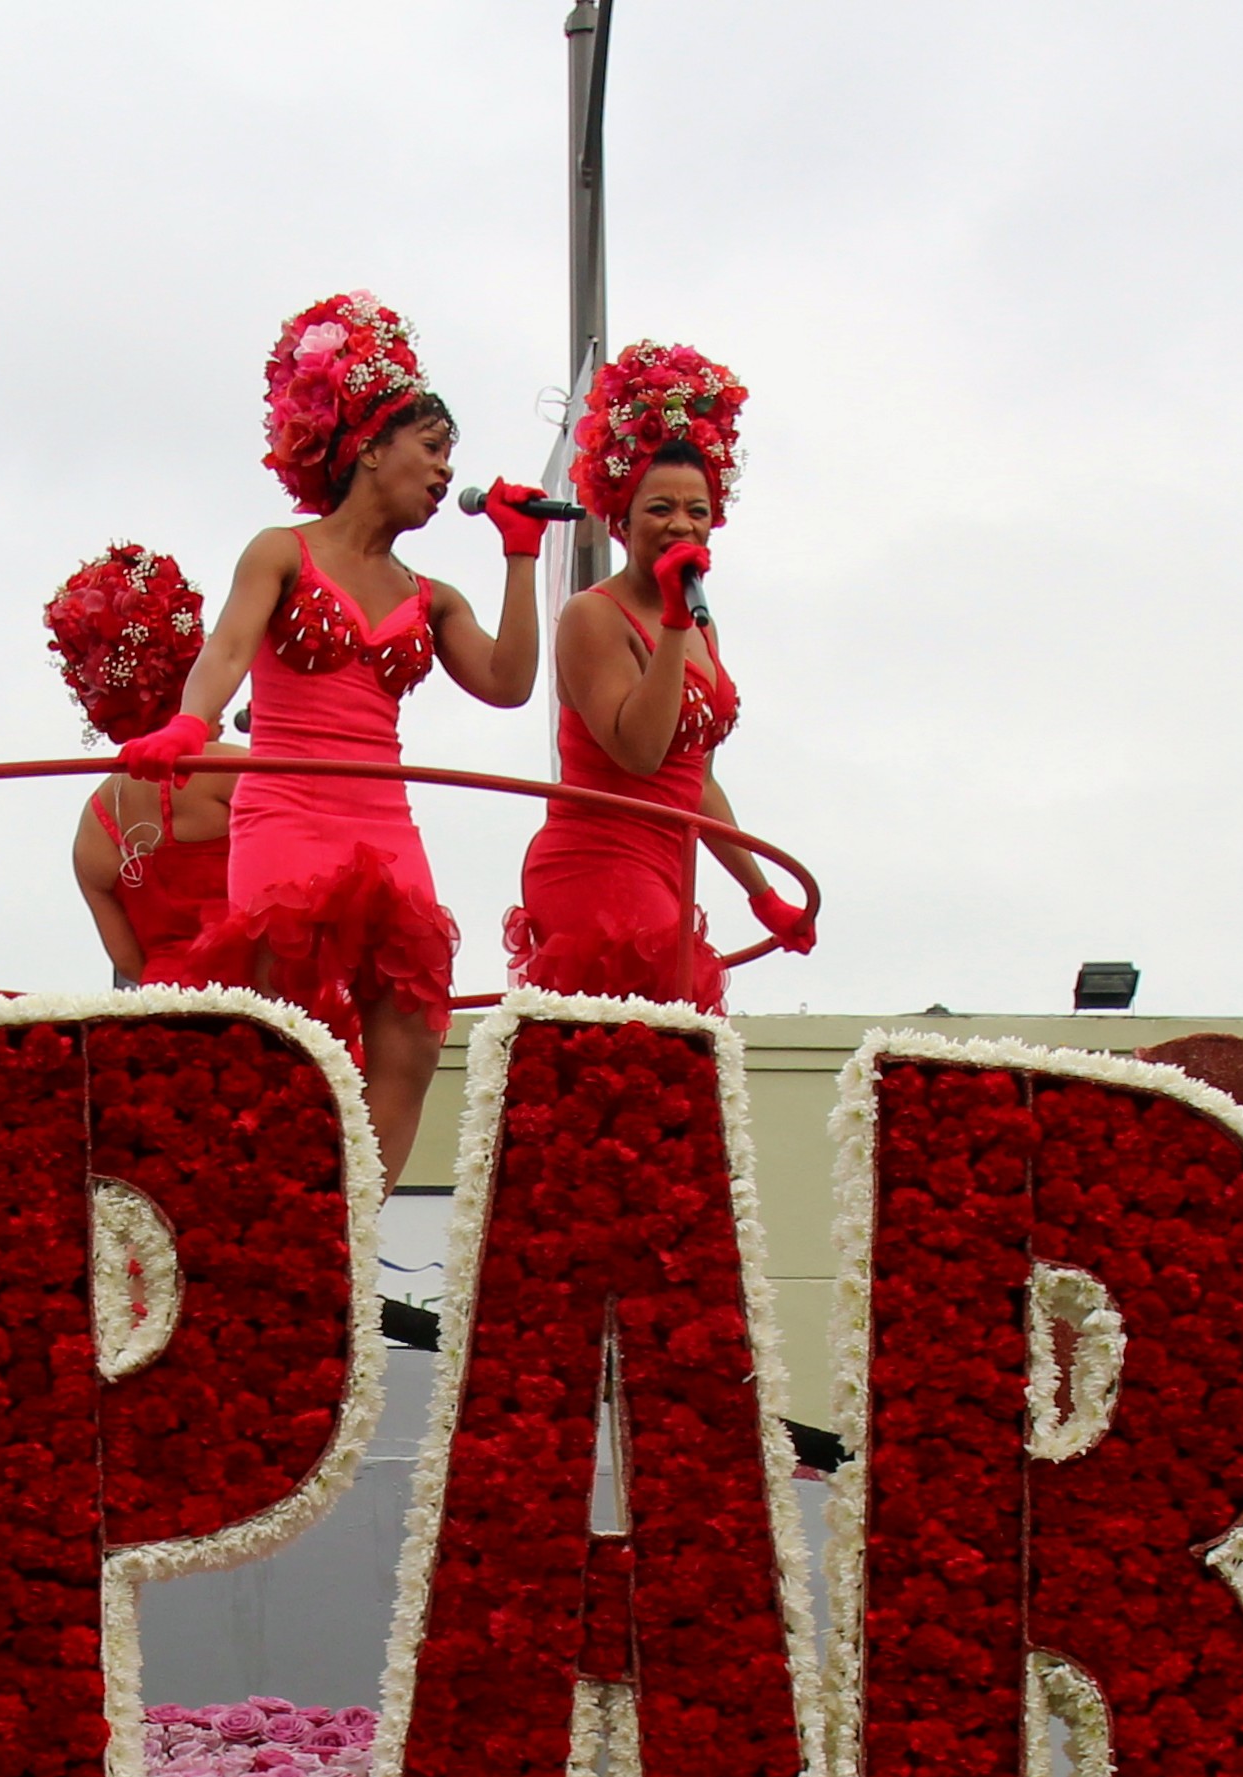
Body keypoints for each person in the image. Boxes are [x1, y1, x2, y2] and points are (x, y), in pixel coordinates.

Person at [114, 293, 549, 1180]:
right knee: (290, 1025)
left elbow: (508, 683)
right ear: (371, 447)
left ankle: (354, 1213)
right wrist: (192, 724)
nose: (441, 473)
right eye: (431, 450)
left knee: (415, 1036)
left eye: (449, 460)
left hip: (384, 820)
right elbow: (229, 649)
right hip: (287, 809)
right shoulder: (282, 549)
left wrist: (519, 554)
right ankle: (281, 1196)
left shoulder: (432, 594)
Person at [502, 343, 810, 1010]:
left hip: (671, 867)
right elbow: (639, 754)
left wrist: (761, 895)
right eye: (660, 508)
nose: (681, 524)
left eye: (697, 511)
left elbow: (695, 779)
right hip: (596, 861)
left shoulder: (701, 625)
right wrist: (672, 622)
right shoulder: (593, 614)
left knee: (672, 1064)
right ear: (622, 517)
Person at [47, 546, 242, 986]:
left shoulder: (92, 825)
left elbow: (129, 963)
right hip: (264, 1010)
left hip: (163, 1021)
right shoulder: (230, 769)